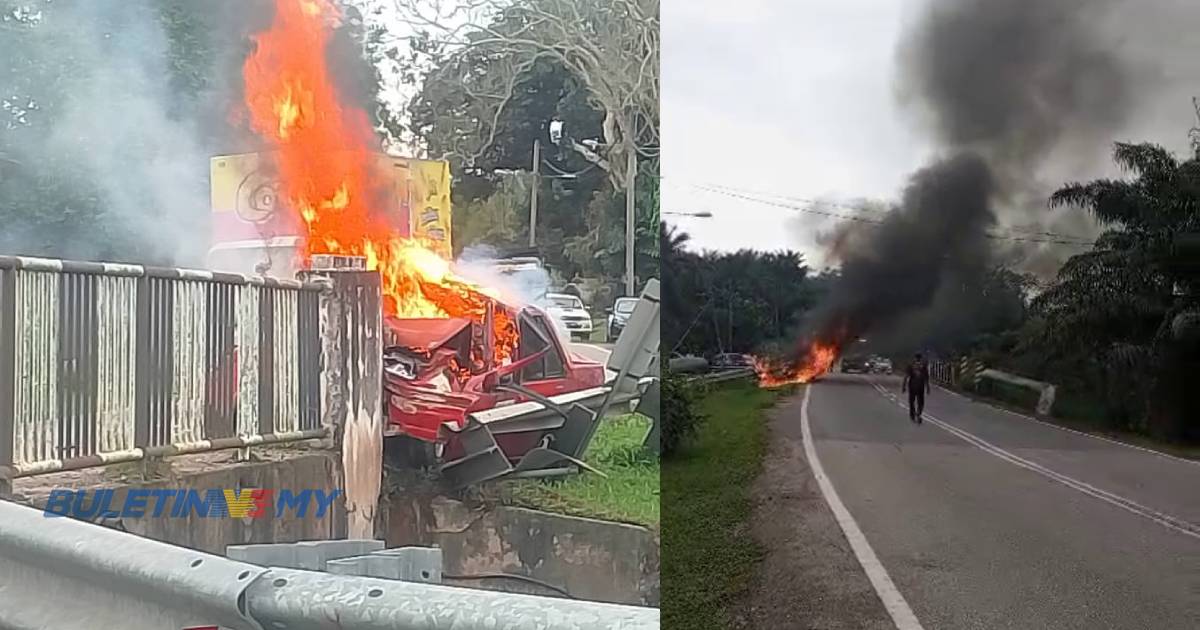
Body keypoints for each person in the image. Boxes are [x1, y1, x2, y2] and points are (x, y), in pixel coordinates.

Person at [901, 352, 931, 424]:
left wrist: (903, 386)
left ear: (915, 358)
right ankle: (918, 413)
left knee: (911, 401)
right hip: (921, 386)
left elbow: (906, 376)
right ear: (920, 358)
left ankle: (913, 414)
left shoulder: (911, 365)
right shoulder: (923, 366)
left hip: (912, 386)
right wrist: (928, 387)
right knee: (920, 401)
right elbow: (926, 378)